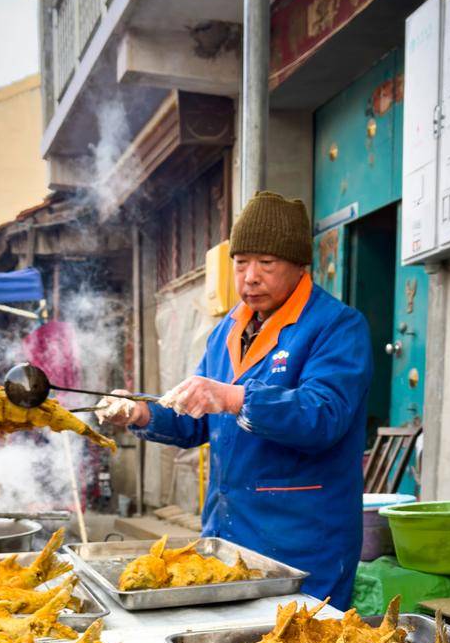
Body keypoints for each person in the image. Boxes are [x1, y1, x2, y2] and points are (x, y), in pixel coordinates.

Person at [99, 190, 373, 606]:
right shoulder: (228, 328)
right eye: (241, 262)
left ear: (300, 266)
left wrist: (235, 398)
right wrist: (139, 413)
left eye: (267, 263)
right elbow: (196, 417)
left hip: (302, 541)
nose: (250, 276)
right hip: (227, 535)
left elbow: (324, 416)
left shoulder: (336, 326)